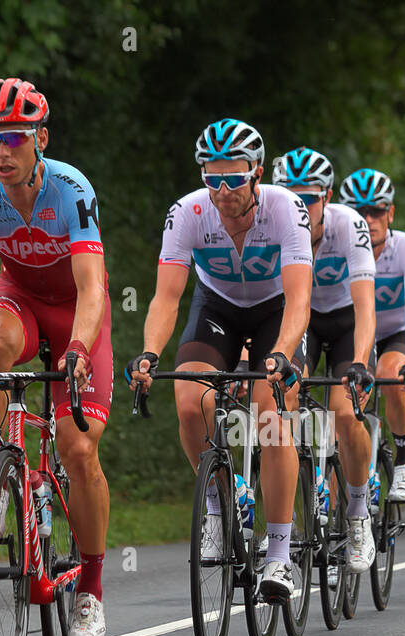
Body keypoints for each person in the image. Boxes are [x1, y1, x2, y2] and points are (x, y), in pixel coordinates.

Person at [126, 119, 312, 600]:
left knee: (273, 418)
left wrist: (281, 354)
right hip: (218, 310)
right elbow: (167, 298)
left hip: (275, 312)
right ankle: (216, 505)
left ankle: (278, 557)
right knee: (189, 402)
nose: (223, 189)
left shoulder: (286, 209)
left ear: (257, 173)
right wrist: (150, 353)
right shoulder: (187, 213)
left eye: (234, 176)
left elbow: (298, 300)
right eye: (213, 177)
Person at [0, 77, 113, 636]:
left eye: (15, 139)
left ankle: (91, 591)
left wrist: (76, 347)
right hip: (19, 299)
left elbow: (92, 287)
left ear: (40, 138)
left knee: (78, 448)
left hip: (77, 312)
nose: (1, 153)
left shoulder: (71, 189)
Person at [274, 148, 376, 573]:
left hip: (347, 321)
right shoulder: (273, 224)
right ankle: (290, 509)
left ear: (327, 197)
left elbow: (366, 305)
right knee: (283, 394)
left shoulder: (349, 225)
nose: (300, 205)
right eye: (291, 195)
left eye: (310, 198)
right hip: (303, 324)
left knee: (345, 414)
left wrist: (360, 361)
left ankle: (357, 511)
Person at [339, 168, 405, 503]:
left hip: (393, 333)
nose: (368, 219)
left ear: (390, 213)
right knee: (343, 411)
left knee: (391, 374)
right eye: (359, 212)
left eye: (376, 211)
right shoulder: (335, 246)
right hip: (351, 333)